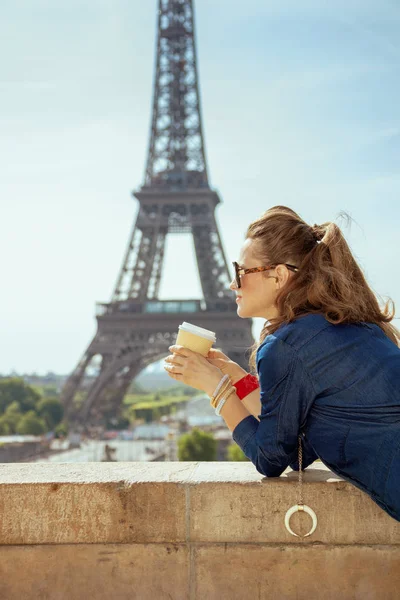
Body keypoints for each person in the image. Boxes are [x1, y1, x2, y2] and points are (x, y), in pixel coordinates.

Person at [164, 205, 400, 523]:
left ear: (278, 276)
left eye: (240, 272)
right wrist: (236, 377)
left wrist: (215, 388)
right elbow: (298, 449)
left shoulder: (285, 346)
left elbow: (269, 459)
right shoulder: (355, 327)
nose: (232, 285)